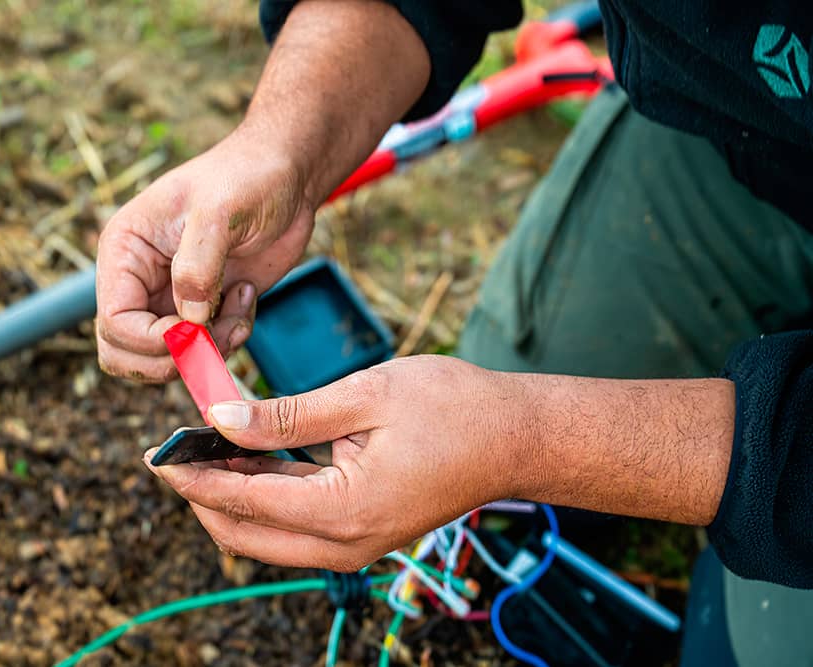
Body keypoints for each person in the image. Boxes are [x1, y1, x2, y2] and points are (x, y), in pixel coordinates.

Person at [94, 1, 813, 663]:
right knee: (523, 379)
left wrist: (525, 436)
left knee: (742, 634)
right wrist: (280, 144)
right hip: (741, 126)